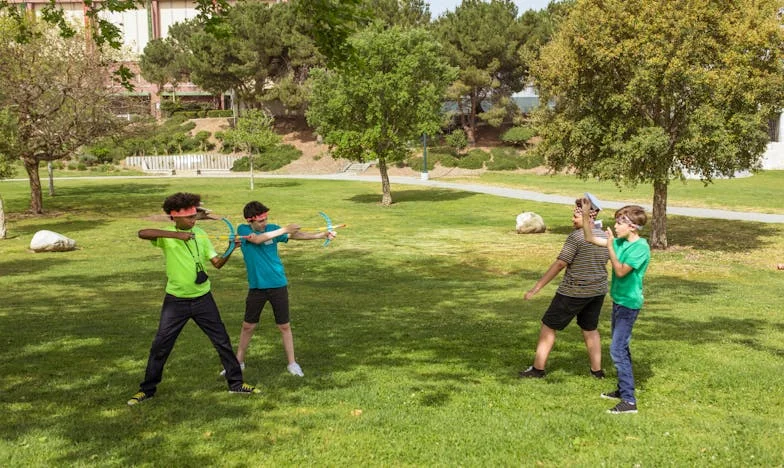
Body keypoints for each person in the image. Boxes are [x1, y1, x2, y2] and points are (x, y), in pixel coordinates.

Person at [127, 192, 259, 406]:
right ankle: (147, 390)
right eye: (188, 218)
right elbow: (143, 232)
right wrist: (176, 236)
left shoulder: (200, 234)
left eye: (194, 217)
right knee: (161, 345)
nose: (192, 220)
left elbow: (216, 263)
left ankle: (236, 384)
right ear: (175, 217)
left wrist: (230, 249)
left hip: (203, 298)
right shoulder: (166, 235)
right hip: (176, 301)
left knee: (222, 341)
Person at [225, 201, 335, 378]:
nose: (264, 223)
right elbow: (259, 240)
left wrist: (321, 235)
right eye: (260, 221)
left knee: (284, 326)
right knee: (248, 326)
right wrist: (284, 229)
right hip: (257, 287)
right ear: (250, 221)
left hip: (278, 284)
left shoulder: (273, 229)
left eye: (266, 220)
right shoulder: (244, 231)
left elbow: (296, 235)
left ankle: (292, 363)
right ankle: (239, 362)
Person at [520, 197, 610, 380]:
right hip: (597, 291)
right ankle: (597, 371)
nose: (572, 219)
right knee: (590, 328)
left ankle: (537, 369)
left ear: (589, 215)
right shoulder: (605, 236)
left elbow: (560, 264)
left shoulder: (576, 237)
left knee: (548, 325)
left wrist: (536, 288)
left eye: (576, 215)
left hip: (573, 292)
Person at [581, 200, 650, 414]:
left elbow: (620, 271)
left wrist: (610, 246)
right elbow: (589, 237)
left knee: (617, 349)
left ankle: (629, 401)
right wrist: (585, 215)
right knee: (622, 347)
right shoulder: (620, 242)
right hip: (619, 301)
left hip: (629, 305)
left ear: (631, 226)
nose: (615, 227)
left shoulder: (640, 247)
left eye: (619, 223)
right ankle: (623, 389)